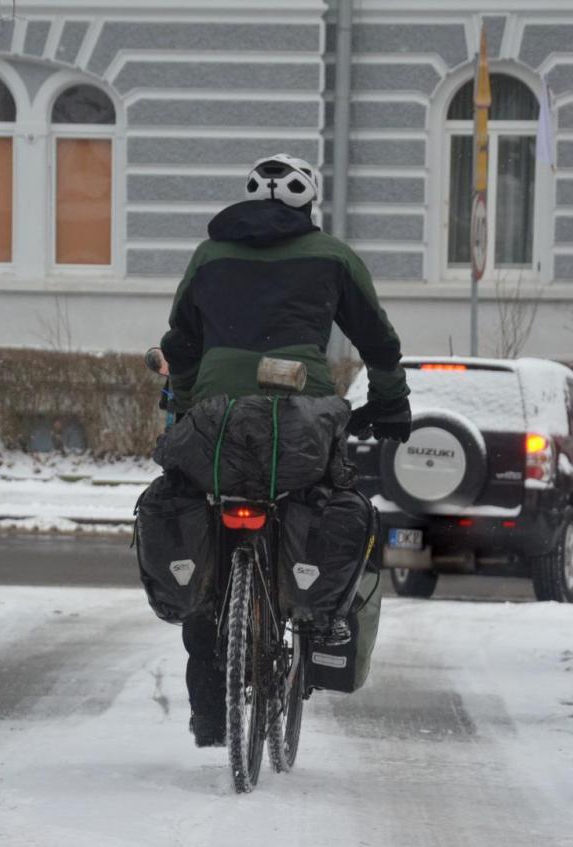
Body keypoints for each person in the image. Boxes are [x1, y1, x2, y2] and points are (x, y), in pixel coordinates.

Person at [159, 153, 412, 747]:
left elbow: (182, 340)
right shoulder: (332, 256)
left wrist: (184, 411)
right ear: (309, 203)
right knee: (327, 499)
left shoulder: (209, 255)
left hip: (216, 411)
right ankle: (311, 620)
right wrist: (391, 402)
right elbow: (378, 340)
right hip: (302, 412)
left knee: (199, 515)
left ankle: (210, 705)